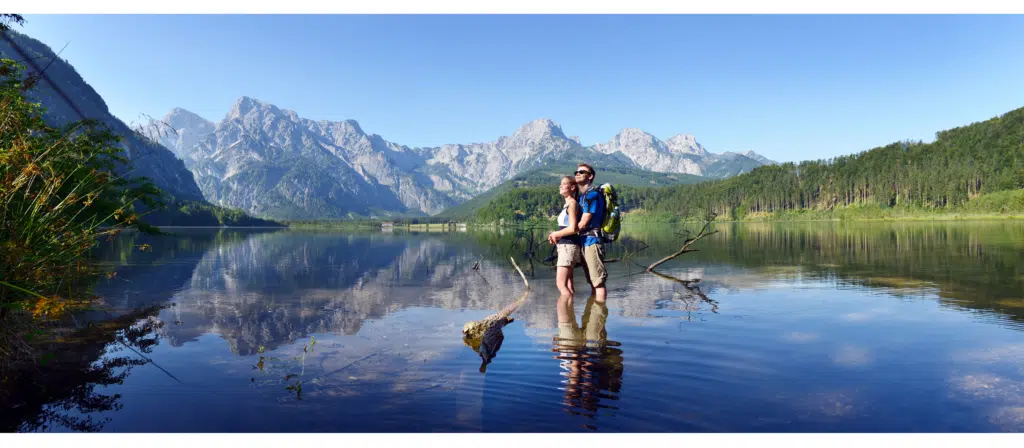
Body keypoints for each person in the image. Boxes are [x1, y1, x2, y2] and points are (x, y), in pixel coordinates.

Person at [574, 163, 608, 304]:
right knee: (592, 280)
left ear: (590, 176)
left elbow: (584, 221)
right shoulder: (582, 196)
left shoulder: (592, 195)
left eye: (582, 172)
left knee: (598, 282)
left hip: (592, 241)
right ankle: (595, 317)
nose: (578, 173)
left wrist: (563, 233)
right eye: (576, 171)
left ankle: (599, 315)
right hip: (584, 241)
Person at [548, 176, 581, 299]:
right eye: (560, 184)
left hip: (568, 246)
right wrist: (556, 235)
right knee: (568, 283)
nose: (560, 186)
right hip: (567, 245)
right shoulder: (568, 204)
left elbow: (573, 228)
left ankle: (564, 316)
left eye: (564, 184)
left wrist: (555, 234)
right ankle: (570, 314)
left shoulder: (572, 204)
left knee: (560, 284)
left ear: (572, 187)